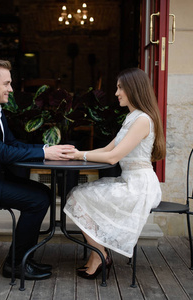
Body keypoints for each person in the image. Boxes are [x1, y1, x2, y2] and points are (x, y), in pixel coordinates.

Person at [0, 59, 74, 280]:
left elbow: (11, 144)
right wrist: (44, 155)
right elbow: (2, 153)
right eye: (7, 83)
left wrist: (47, 148)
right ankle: (15, 265)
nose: (11, 89)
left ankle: (23, 258)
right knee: (37, 200)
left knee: (44, 194)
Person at [63, 68, 166, 279]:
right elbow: (108, 149)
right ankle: (98, 252)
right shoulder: (132, 117)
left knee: (77, 196)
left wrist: (79, 156)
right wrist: (75, 153)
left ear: (133, 89)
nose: (117, 93)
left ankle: (99, 254)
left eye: (120, 88)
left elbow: (113, 157)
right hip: (129, 181)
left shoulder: (143, 120)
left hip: (140, 187)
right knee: (77, 193)